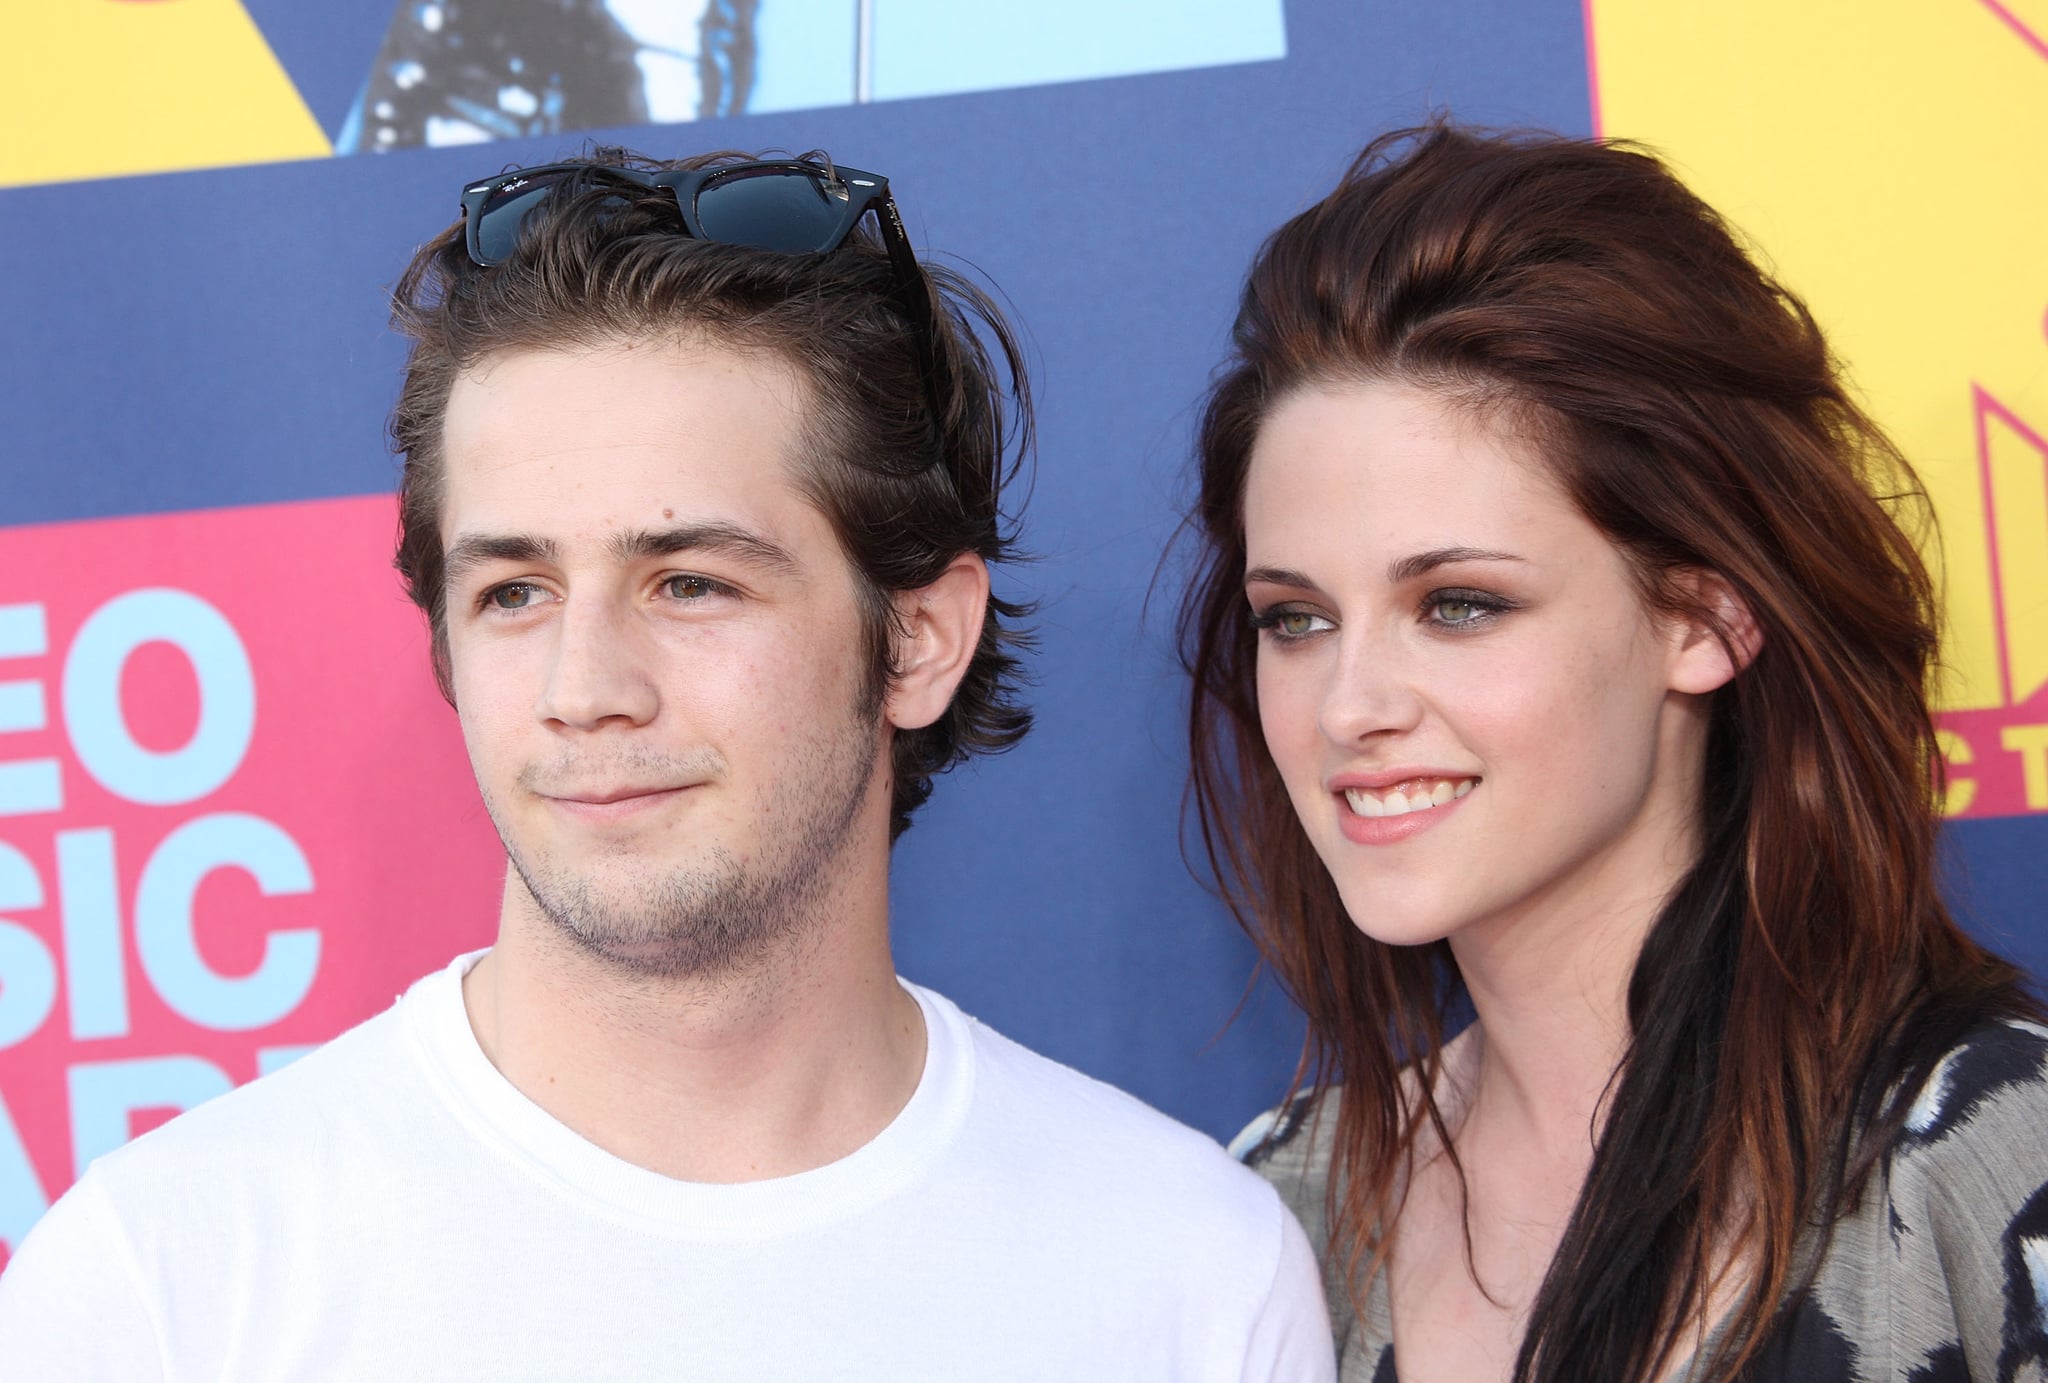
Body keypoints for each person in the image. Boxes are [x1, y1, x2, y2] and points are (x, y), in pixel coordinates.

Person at [0, 150, 1335, 1380]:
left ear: (919, 636)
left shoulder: (1189, 1273)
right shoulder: (163, 1284)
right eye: (515, 592)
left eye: (689, 581)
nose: (585, 688)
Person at [1180, 123, 2048, 1383]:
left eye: (1458, 604)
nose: (1345, 705)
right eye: (1294, 620)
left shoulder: (1983, 1161)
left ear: (1703, 617)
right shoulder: (1275, 1208)